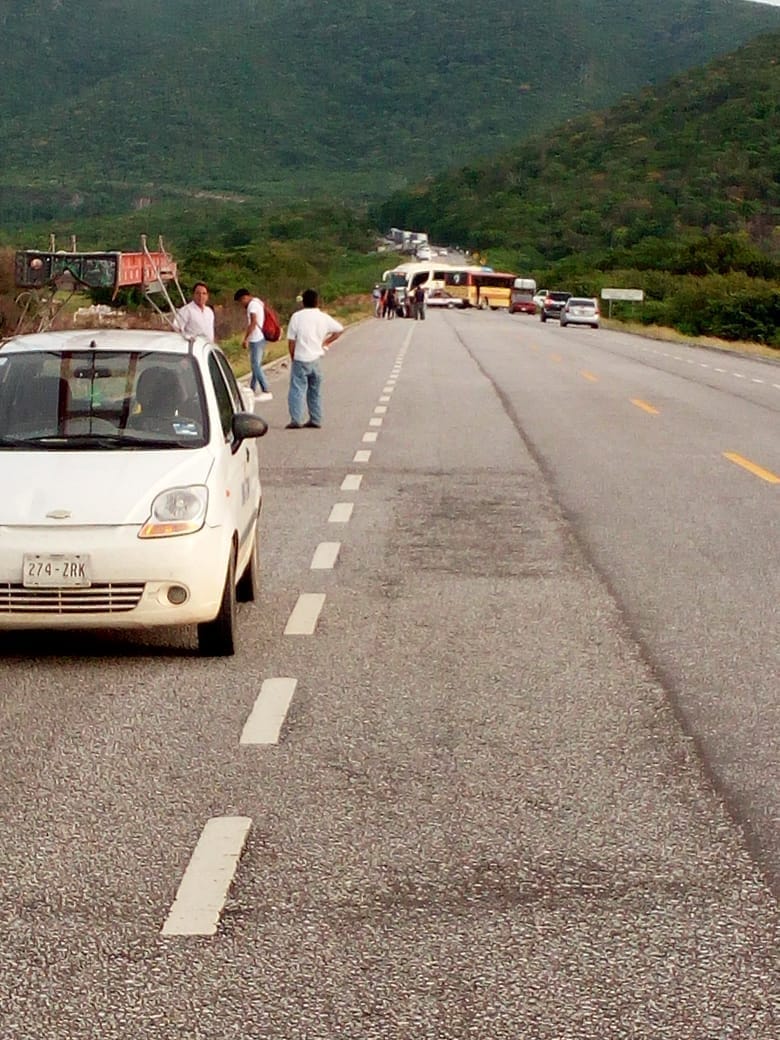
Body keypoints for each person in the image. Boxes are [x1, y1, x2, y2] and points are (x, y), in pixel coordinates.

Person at [285, 288, 343, 429]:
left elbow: (291, 341)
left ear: (303, 302)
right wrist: (326, 342)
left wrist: (293, 357)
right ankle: (316, 418)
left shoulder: (297, 317)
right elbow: (339, 329)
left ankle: (296, 419)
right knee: (315, 391)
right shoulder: (323, 317)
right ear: (317, 302)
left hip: (300, 358)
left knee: (297, 389)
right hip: (316, 358)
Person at [234, 288, 272, 400]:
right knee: (256, 364)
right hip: (261, 336)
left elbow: (253, 322)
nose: (242, 304)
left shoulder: (252, 306)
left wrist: (246, 338)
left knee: (255, 365)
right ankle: (252, 388)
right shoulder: (258, 301)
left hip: (256, 338)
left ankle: (266, 389)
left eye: (241, 301)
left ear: (244, 298)